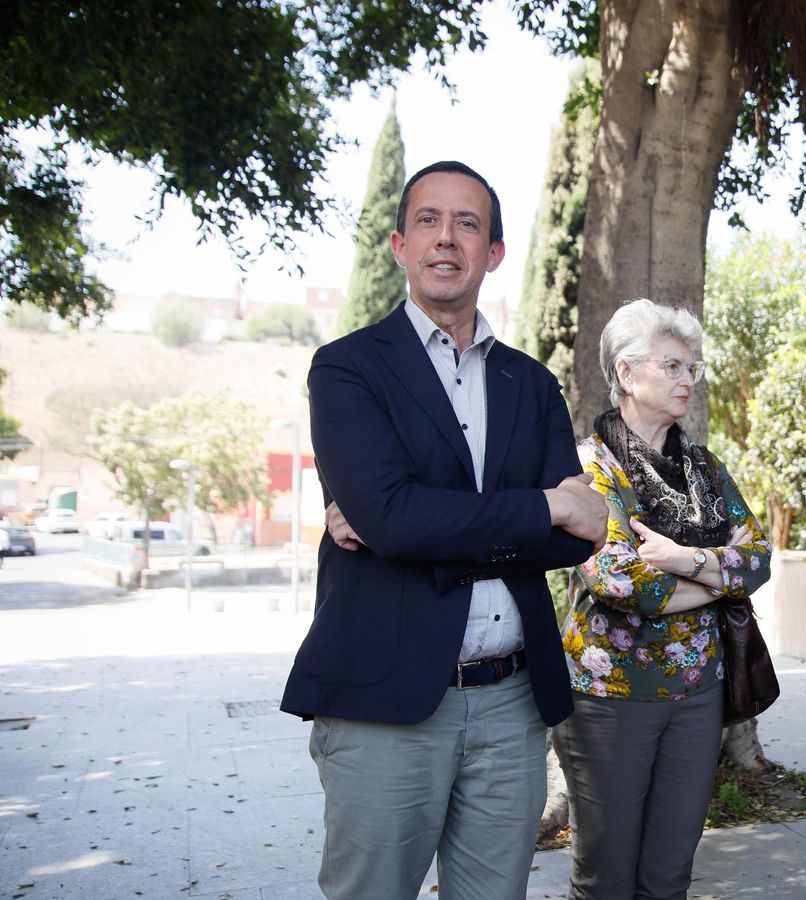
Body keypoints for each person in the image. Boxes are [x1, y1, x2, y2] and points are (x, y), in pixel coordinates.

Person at [279, 160, 609, 900]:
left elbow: (573, 536)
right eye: (428, 220)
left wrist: (421, 521)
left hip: (511, 701)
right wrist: (540, 506)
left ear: (493, 252)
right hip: (384, 701)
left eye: (468, 224)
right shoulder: (348, 369)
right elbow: (395, 518)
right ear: (399, 245)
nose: (446, 239)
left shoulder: (531, 382)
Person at [552, 298, 772, 900]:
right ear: (626, 373)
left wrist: (685, 560)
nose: (687, 380)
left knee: (669, 877)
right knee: (605, 880)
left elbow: (758, 558)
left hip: (699, 696)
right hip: (609, 701)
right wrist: (716, 576)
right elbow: (621, 581)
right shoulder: (588, 468)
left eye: (691, 368)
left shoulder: (704, 467)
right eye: (672, 365)